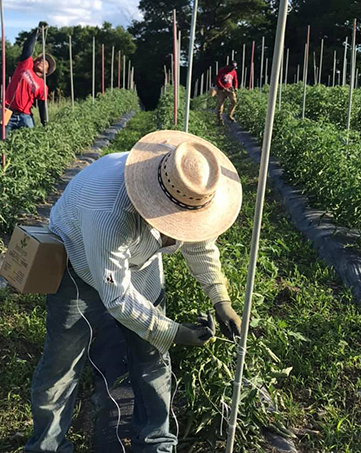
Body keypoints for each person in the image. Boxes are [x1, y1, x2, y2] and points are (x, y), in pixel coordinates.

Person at [25, 129, 243, 453]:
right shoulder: (112, 213)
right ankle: (47, 445)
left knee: (152, 356)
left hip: (141, 262)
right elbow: (118, 297)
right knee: (63, 361)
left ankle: (155, 442)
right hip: (78, 260)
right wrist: (175, 332)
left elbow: (200, 246)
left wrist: (220, 298)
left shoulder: (185, 191)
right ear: (153, 203)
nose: (182, 230)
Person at [5, 22, 56, 133]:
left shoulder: (43, 86)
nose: (41, 62)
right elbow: (28, 47)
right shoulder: (26, 65)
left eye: (45, 63)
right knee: (2, 142)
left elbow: (42, 106)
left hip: (25, 116)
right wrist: (36, 33)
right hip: (8, 111)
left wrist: (45, 124)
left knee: (31, 140)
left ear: (47, 71)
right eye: (40, 60)